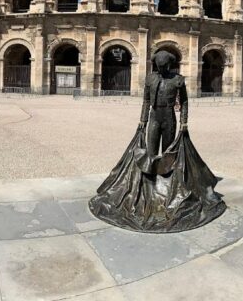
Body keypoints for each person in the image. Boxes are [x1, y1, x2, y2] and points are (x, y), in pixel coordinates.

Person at [89, 50, 225, 232]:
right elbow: (146, 101)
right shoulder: (150, 79)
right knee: (150, 154)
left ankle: (168, 188)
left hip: (169, 116)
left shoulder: (178, 80)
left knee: (169, 154)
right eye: (159, 66)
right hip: (154, 116)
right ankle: (149, 188)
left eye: (164, 66)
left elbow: (184, 102)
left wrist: (184, 122)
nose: (161, 69)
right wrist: (142, 121)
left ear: (169, 65)